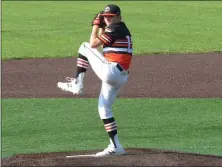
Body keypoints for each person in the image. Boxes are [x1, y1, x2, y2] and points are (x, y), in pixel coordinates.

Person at [57, 4, 133, 157]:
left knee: (85, 46)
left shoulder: (115, 29)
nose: (108, 19)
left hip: (112, 71)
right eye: (106, 17)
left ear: (119, 16)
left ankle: (77, 83)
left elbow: (93, 44)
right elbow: (101, 42)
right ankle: (116, 146)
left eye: (111, 17)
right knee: (104, 108)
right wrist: (100, 25)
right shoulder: (119, 29)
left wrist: (96, 25)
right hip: (119, 76)